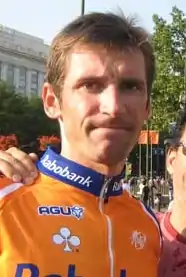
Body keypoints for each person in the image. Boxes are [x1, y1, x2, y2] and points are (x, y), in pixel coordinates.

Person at [0, 12, 162, 277]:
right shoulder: (6, 201)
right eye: (91, 85)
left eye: (130, 87)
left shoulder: (147, 225)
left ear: (147, 107)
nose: (114, 107)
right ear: (52, 101)